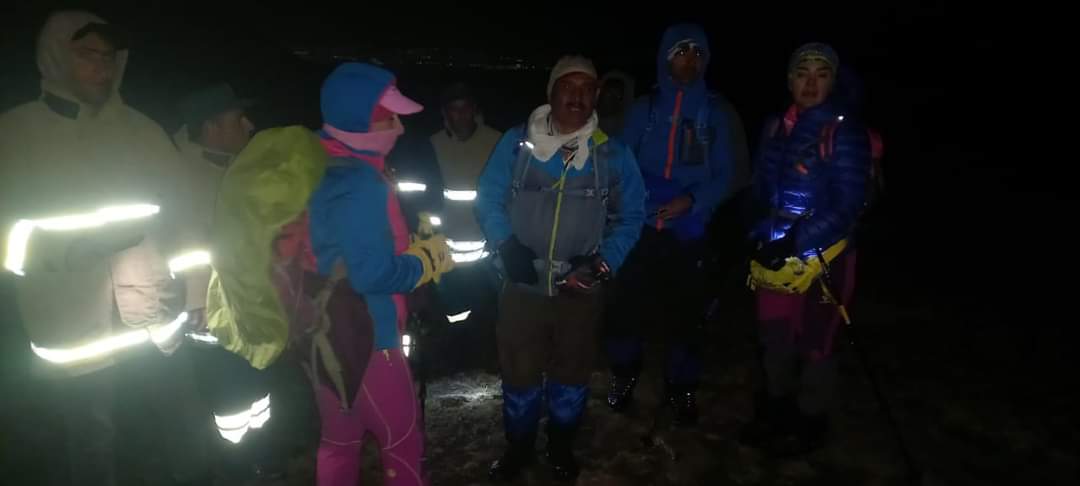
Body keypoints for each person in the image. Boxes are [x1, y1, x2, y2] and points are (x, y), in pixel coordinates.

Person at [0, 10, 209, 486]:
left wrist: (197, 288)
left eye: (108, 56)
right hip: (74, 330)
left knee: (175, 436)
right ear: (55, 56)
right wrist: (69, 250)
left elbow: (185, 216)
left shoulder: (143, 131)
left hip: (155, 320)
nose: (101, 66)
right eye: (86, 54)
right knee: (90, 448)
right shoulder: (14, 134)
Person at [476, 55, 646, 481]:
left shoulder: (612, 153)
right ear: (550, 93)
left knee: (571, 374)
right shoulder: (517, 145)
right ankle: (519, 446)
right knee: (519, 373)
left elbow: (633, 215)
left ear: (596, 96)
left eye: (586, 88)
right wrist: (505, 244)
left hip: (580, 289)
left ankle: (560, 445)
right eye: (567, 86)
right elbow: (488, 197)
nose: (577, 96)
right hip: (522, 286)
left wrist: (604, 261)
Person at [307, 62, 453, 486]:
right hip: (371, 338)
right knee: (402, 442)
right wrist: (426, 262)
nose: (400, 129)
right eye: (389, 118)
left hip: (323, 331)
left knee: (338, 442)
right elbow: (372, 274)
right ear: (360, 118)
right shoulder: (361, 182)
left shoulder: (318, 161)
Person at [605, 23, 750, 425]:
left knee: (689, 314)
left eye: (697, 53)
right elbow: (619, 163)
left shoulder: (718, 112)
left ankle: (681, 386)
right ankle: (624, 375)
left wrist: (692, 200)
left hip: (693, 230)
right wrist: (644, 203)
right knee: (625, 309)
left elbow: (732, 172)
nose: (690, 60)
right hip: (641, 229)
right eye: (681, 52)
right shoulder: (643, 110)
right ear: (666, 57)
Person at [741, 43, 872, 456]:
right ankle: (776, 412)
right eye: (802, 72)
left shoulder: (844, 131)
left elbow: (849, 204)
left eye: (821, 73)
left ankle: (810, 421)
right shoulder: (775, 127)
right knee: (774, 338)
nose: (811, 82)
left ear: (833, 81)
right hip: (775, 256)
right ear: (789, 79)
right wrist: (756, 230)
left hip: (827, 260)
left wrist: (795, 241)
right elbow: (761, 190)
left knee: (817, 343)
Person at [596, 71, 635, 138]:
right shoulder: (585, 116)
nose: (611, 98)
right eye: (609, 91)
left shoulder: (625, 127)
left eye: (618, 95)